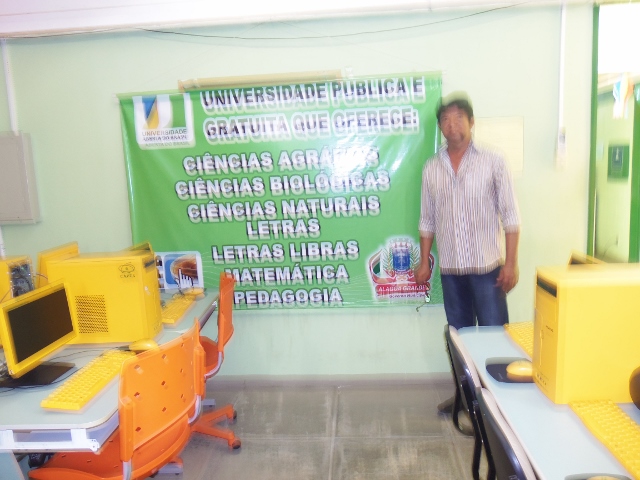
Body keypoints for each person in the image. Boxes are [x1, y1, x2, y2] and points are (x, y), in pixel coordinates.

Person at [414, 93, 520, 329]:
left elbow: (511, 216)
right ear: (440, 126)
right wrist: (424, 263)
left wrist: (511, 264)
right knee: (460, 336)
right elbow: (427, 220)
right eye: (446, 119)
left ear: (472, 121)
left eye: (458, 117)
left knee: (495, 334)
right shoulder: (431, 168)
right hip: (451, 271)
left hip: (487, 270)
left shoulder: (494, 160)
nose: (452, 124)